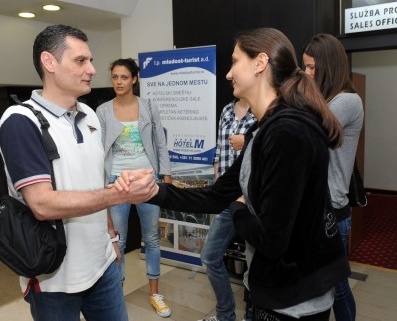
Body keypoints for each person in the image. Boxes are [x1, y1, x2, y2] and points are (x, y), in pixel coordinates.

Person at [113, 27, 351, 321]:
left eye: (235, 61)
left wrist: (239, 209)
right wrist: (154, 191)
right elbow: (215, 195)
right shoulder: (264, 130)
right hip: (273, 288)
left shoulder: (288, 132)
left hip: (294, 298)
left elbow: (271, 240)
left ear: (260, 63)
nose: (228, 73)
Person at [0, 24, 158, 321]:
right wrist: (118, 193)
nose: (93, 69)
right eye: (81, 61)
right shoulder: (20, 121)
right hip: (55, 278)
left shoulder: (89, 116)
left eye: (90, 60)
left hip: (104, 267)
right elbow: (42, 204)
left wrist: (110, 238)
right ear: (49, 62)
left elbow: (94, 182)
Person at [96, 58, 172, 318]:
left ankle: (154, 293)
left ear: (134, 79)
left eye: (124, 77)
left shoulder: (149, 106)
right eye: (115, 77)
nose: (118, 82)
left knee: (151, 238)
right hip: (116, 181)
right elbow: (99, 151)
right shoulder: (103, 111)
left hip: (147, 180)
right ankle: (116, 295)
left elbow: (160, 143)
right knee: (118, 240)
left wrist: (166, 176)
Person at [303, 33, 364, 321]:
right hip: (317, 209)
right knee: (326, 287)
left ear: (329, 66)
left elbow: (309, 129)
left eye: (312, 67)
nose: (306, 73)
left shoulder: (348, 101)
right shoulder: (325, 99)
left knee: (336, 288)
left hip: (333, 211)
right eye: (305, 66)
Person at [199, 98, 256, 321]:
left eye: (236, 63)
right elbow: (220, 151)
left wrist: (248, 141)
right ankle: (226, 315)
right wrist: (217, 186)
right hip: (227, 199)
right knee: (210, 256)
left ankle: (252, 316)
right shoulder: (226, 110)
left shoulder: (262, 112)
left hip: (252, 201)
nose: (230, 75)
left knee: (255, 266)